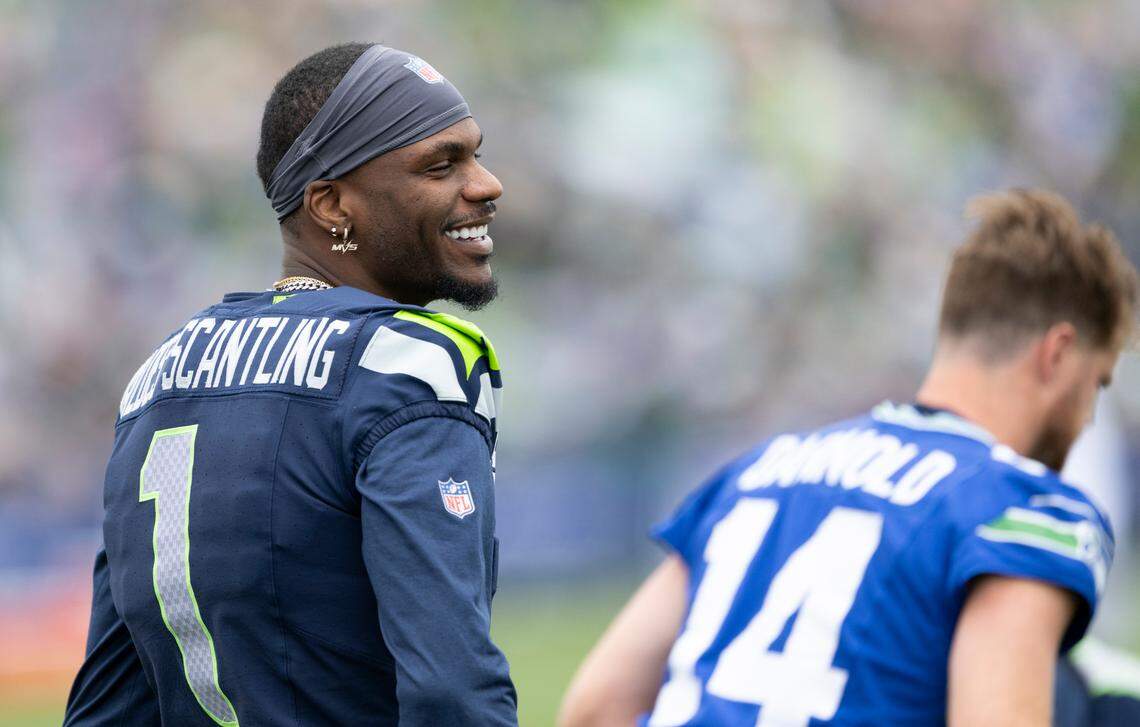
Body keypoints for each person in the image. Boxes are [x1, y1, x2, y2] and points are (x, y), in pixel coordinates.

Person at [559, 189, 1137, 727]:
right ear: (1058, 353)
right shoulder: (1022, 509)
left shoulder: (758, 471)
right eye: (1097, 383)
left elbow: (595, 708)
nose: (1087, 416)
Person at [64, 42, 517, 726]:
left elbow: (106, 710)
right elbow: (451, 692)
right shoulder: (409, 361)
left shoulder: (160, 375)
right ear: (332, 205)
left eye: (475, 155)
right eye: (440, 165)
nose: (487, 185)